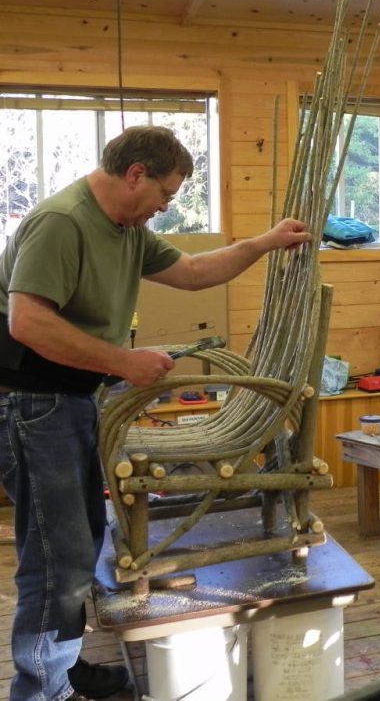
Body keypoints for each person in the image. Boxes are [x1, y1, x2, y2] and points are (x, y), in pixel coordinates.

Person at [0, 125, 313, 701]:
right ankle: (39, 688)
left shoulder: (126, 228)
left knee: (79, 540)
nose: (165, 207)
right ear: (135, 173)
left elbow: (194, 273)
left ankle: (58, 668)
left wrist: (264, 243)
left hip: (67, 397)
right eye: (165, 194)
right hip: (28, 399)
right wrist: (123, 361)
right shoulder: (62, 222)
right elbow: (28, 323)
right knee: (56, 550)